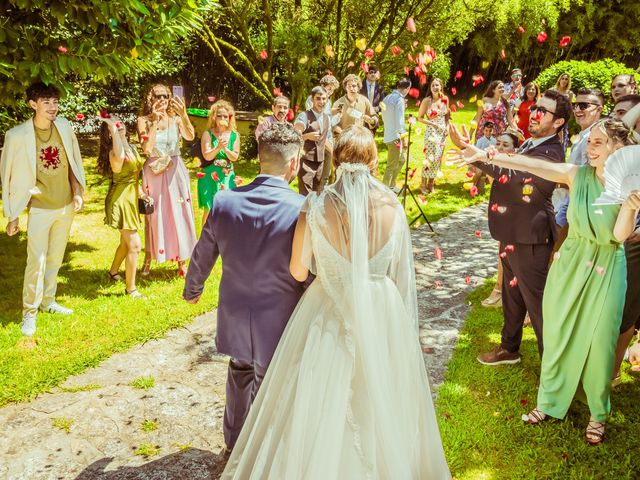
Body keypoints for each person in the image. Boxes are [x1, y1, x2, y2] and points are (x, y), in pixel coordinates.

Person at [222, 125, 451, 479]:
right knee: (378, 387)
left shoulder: (315, 205)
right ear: (374, 162)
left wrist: (329, 266)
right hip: (381, 306)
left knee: (320, 394)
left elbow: (298, 271)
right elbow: (398, 269)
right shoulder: (394, 205)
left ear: (336, 160)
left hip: (329, 305)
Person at [452, 119, 639, 445]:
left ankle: (598, 413)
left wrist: (629, 207)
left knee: (600, 342)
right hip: (570, 264)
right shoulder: (575, 175)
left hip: (607, 267)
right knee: (557, 332)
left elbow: (620, 236)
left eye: (598, 142)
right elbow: (531, 164)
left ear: (618, 148)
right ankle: (549, 401)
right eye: (590, 141)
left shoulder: (628, 186)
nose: (590, 148)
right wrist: (484, 155)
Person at [183, 122, 307, 452]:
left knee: (239, 372)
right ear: (293, 163)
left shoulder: (224, 201)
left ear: (260, 158)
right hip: (279, 318)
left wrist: (193, 288)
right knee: (271, 382)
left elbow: (203, 250)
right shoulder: (302, 209)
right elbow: (308, 269)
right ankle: (265, 454)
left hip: (235, 311)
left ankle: (234, 444)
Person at [451, 90, 571, 364]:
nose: (536, 113)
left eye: (545, 111)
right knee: (511, 296)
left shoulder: (551, 152)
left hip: (532, 239)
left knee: (538, 306)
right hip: (512, 233)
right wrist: (473, 154)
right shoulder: (531, 142)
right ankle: (509, 348)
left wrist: (483, 156)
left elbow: (517, 176)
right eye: (536, 107)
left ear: (559, 122)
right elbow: (507, 171)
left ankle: (552, 372)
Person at [1, 82, 85, 336]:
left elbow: (74, 161)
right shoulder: (17, 136)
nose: (53, 107)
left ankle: (48, 302)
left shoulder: (64, 127)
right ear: (33, 104)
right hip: (39, 207)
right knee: (35, 262)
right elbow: (9, 177)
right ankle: (29, 312)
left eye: (55, 102)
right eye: (46, 102)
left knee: (55, 257)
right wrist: (12, 214)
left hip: (65, 205)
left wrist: (78, 192)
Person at [137, 83, 197, 277]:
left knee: (179, 213)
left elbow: (190, 136)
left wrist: (184, 114)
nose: (162, 100)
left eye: (165, 96)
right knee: (153, 215)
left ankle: (182, 260)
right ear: (151, 99)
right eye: (158, 96)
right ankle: (148, 259)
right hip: (154, 172)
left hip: (174, 170)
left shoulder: (176, 118)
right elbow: (147, 149)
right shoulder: (143, 120)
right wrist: (154, 121)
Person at [98, 118, 149, 298]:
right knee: (134, 245)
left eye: (120, 123)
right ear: (108, 133)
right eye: (114, 125)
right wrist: (114, 131)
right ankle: (131, 289)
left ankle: (113, 272)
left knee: (124, 243)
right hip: (119, 201)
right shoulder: (114, 152)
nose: (119, 125)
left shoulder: (131, 148)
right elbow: (120, 161)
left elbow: (135, 173)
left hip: (131, 199)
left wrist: (142, 193)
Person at [554, 88, 605, 229]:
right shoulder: (583, 135)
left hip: (577, 205)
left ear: (599, 109)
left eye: (584, 106)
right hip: (569, 202)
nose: (577, 109)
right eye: (575, 105)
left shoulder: (593, 137)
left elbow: (589, 177)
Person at [480, 132, 519, 308]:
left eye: (506, 145)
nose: (500, 148)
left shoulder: (515, 168)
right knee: (503, 252)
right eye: (498, 144)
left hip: (515, 214)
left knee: (508, 253)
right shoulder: (497, 164)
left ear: (515, 150)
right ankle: (502, 289)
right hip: (501, 213)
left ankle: (499, 290)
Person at [198, 100, 241, 228]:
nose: (222, 118)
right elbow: (207, 155)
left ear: (229, 118)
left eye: (225, 116)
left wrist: (226, 148)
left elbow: (234, 157)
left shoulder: (234, 135)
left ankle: (222, 239)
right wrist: (218, 147)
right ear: (214, 117)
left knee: (227, 208)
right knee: (209, 208)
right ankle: (204, 239)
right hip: (210, 176)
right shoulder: (208, 134)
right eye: (219, 115)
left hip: (227, 175)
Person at [294, 86, 331, 195]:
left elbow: (327, 139)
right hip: (306, 161)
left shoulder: (327, 118)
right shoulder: (304, 116)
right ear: (312, 100)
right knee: (305, 195)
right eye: (318, 98)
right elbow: (295, 135)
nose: (321, 101)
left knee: (318, 194)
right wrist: (307, 136)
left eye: (324, 99)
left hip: (320, 162)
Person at [418, 78, 450, 194]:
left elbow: (447, 116)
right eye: (433, 86)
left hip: (441, 133)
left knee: (437, 158)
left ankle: (431, 184)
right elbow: (420, 118)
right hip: (431, 132)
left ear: (441, 87)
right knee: (429, 158)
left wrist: (447, 128)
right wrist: (432, 123)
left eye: (437, 85)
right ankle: (423, 184)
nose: (435, 88)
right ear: (430, 88)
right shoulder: (427, 101)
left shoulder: (445, 99)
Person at [380, 78, 412, 190]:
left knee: (402, 159)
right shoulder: (399, 99)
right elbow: (400, 121)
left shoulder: (387, 98)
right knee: (391, 164)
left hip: (389, 133)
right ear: (407, 89)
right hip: (395, 136)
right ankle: (385, 189)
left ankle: (392, 184)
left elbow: (383, 115)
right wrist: (403, 137)